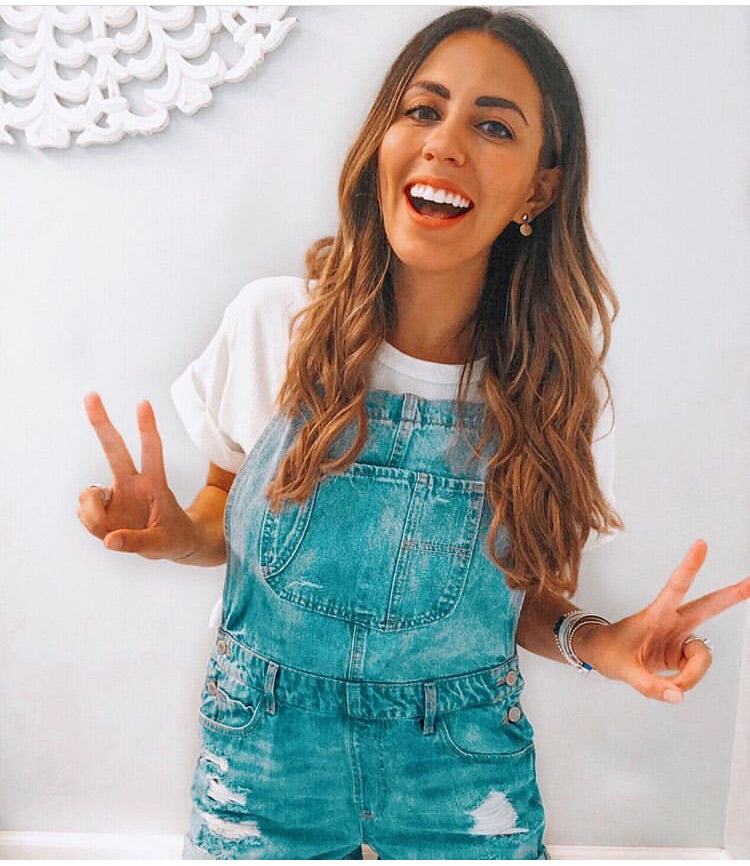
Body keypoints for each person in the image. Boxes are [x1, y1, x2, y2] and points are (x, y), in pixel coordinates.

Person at [77, 7, 750, 860]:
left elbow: (524, 601)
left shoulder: (557, 396)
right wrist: (176, 533)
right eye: (423, 110)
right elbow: (223, 511)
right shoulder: (277, 325)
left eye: (493, 126)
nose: (444, 143)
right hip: (264, 760)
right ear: (383, 142)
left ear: (539, 190)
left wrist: (600, 643)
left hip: (461, 776)